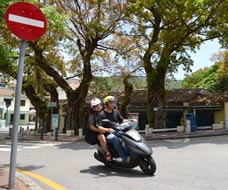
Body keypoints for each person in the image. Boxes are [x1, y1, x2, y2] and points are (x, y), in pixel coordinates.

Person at [98, 95, 133, 162]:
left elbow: (122, 120)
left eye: (113, 102)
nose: (112, 104)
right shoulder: (102, 114)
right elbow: (99, 127)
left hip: (118, 130)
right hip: (108, 134)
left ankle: (132, 153)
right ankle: (124, 157)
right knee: (115, 138)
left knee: (128, 136)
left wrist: (131, 120)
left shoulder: (116, 111)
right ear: (106, 104)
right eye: (110, 103)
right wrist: (108, 130)